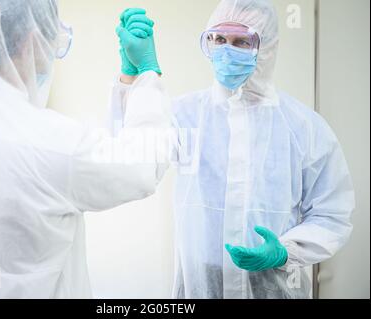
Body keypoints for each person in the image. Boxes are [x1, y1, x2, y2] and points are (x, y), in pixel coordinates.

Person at [0, 0, 170, 298]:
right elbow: (140, 165)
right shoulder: (54, 141)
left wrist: (129, 82)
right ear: (31, 41)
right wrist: (146, 74)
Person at [112, 0, 355, 299]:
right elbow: (131, 156)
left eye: (241, 41)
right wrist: (132, 79)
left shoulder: (304, 127)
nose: (226, 50)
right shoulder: (185, 114)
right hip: (199, 286)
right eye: (218, 39)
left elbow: (332, 215)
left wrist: (285, 252)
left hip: (274, 287)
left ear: (266, 47)